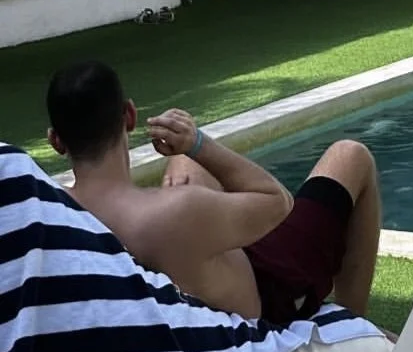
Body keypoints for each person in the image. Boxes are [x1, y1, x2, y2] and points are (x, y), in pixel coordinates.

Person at [45, 59, 383, 326]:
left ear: (56, 140)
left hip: (199, 268)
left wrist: (184, 156)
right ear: (129, 116)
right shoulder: (176, 210)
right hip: (270, 292)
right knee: (351, 155)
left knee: (185, 165)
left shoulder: (55, 212)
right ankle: (353, 326)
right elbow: (278, 201)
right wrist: (197, 143)